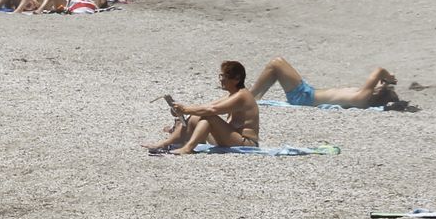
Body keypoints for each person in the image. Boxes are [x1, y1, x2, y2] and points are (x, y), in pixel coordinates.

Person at [143, 61, 260, 154]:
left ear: (236, 79)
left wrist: (185, 109)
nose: (221, 80)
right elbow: (208, 105)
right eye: (221, 76)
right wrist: (181, 109)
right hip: (231, 138)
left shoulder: (242, 96)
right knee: (195, 117)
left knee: (210, 117)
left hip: (246, 143)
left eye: (224, 76)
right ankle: (168, 143)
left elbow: (212, 110)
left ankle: (188, 148)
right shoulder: (233, 94)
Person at [249, 57, 402, 109]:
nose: (379, 83)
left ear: (378, 92)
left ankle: (249, 97)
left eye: (381, 85)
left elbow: (380, 70)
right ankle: (254, 97)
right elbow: (377, 78)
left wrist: (389, 78)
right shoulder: (362, 97)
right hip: (307, 95)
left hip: (304, 97)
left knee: (277, 63)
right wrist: (384, 81)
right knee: (276, 69)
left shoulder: (362, 97)